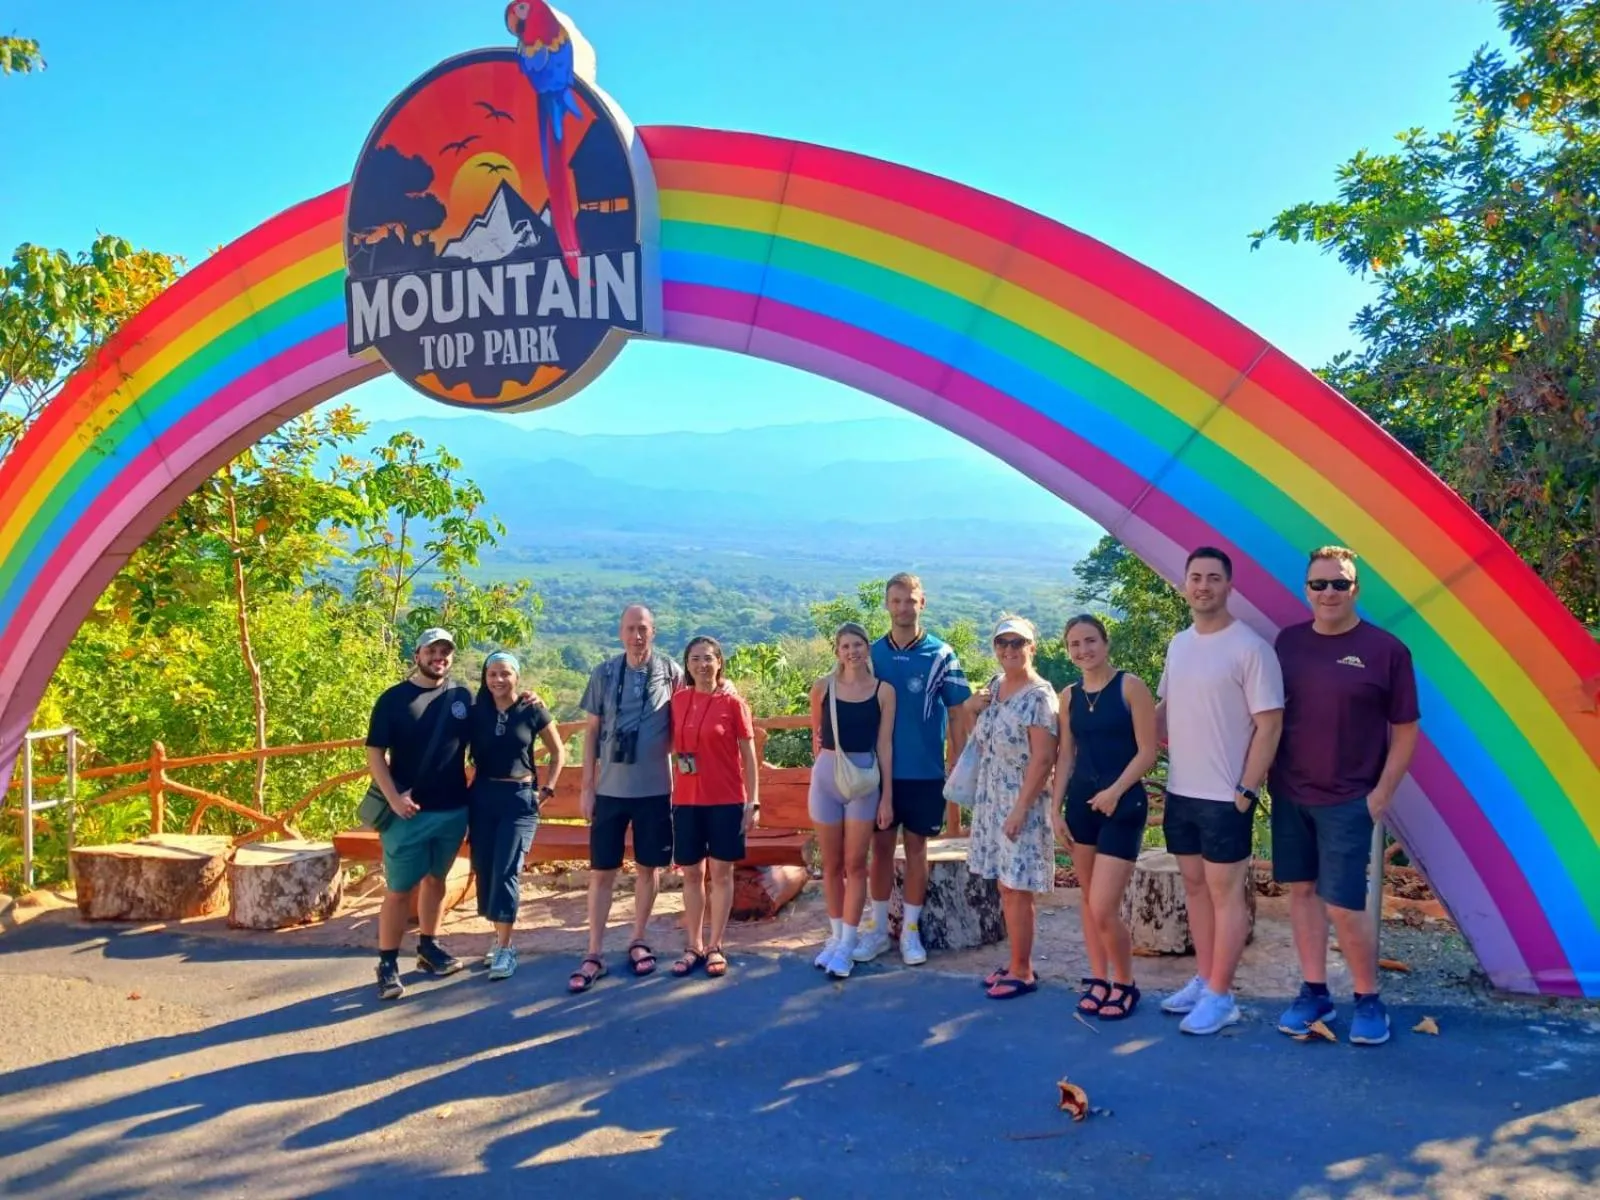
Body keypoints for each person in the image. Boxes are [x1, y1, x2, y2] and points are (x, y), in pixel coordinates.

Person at [1270, 546, 1421, 1046]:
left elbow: (1405, 730)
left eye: (1340, 583)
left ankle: (1368, 999)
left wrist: (1381, 794)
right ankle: (1314, 992)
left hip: (1350, 798)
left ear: (1356, 589)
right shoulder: (1286, 643)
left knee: (1345, 904)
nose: (1329, 592)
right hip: (1291, 792)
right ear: (1306, 589)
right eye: (1320, 584)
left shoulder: (1387, 650)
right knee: (1303, 893)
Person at [1156, 547, 1284, 1035]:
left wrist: (1246, 790)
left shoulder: (1250, 648)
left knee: (1226, 895)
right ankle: (1205, 979)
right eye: (1195, 577)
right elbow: (1166, 709)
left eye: (1213, 577)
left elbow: (1269, 725)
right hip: (1181, 790)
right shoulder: (1179, 644)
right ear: (1185, 585)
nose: (1203, 585)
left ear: (1229, 586)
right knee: (1195, 889)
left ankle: (1222, 995)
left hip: (1226, 795)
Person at [1048, 614, 1159, 1020]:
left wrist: (1115, 791)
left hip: (1123, 805)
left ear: (1105, 642)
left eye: (1090, 641)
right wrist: (1055, 809)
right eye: (1074, 644)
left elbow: (1148, 752)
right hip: (1081, 805)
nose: (1083, 650)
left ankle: (1126, 984)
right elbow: (1065, 754)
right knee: (1088, 900)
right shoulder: (1069, 696)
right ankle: (1098, 979)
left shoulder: (1131, 687)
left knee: (1103, 905)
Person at [859, 572, 973, 966]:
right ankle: (875, 930)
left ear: (922, 604)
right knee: (881, 850)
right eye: (896, 601)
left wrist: (957, 760)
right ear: (887, 604)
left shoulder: (942, 655)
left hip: (925, 772)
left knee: (918, 850)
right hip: (878, 773)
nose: (903, 607)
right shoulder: (871, 655)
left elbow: (959, 713)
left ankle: (910, 932)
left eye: (910, 600)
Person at [572, 605, 685, 993]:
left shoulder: (672, 673)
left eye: (644, 629)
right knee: (602, 871)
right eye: (630, 629)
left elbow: (692, 712)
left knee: (648, 868)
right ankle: (594, 951)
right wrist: (587, 787)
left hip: (655, 790)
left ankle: (638, 938)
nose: (637, 636)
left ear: (654, 632)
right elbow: (590, 734)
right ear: (620, 632)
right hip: (608, 790)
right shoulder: (604, 673)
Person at [364, 628, 474, 1001]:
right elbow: (375, 753)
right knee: (398, 890)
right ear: (417, 654)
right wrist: (393, 799)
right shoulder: (393, 700)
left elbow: (490, 726)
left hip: (453, 808)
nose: (439, 657)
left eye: (445, 651)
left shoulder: (461, 696)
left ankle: (429, 947)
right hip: (407, 813)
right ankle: (388, 963)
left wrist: (527, 700)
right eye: (432, 650)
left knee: (437, 880)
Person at [966, 616, 1060, 999]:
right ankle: (1015, 962)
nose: (1009, 650)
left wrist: (1021, 808)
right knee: (1005, 887)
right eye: (1002, 643)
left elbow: (1043, 759)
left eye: (1017, 643)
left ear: (1031, 647)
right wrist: (973, 707)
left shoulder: (1039, 697)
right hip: (993, 798)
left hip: (1021, 801)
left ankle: (1023, 970)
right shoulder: (995, 686)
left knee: (1017, 888)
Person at [467, 650, 565, 981]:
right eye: (492, 673)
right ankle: (498, 939)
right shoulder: (475, 712)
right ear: (485, 677)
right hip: (482, 797)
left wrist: (547, 789)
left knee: (506, 867)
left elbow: (558, 751)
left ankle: (507, 948)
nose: (498, 679)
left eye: (505, 673)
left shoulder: (531, 708)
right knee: (484, 866)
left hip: (520, 799)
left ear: (517, 677)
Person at [667, 636, 760, 980]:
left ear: (720, 662)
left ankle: (716, 944)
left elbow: (749, 758)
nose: (702, 664)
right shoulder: (677, 701)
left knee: (721, 875)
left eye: (708, 658)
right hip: (687, 801)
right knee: (692, 874)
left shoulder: (734, 703)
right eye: (695, 658)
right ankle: (693, 944)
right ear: (687, 665)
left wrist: (754, 800)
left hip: (726, 800)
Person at [807, 622, 897, 978]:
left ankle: (848, 943)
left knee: (855, 863)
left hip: (864, 780)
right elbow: (817, 736)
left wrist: (887, 796)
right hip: (827, 777)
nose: (852, 651)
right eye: (845, 646)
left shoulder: (883, 691)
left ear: (867, 649)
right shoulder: (822, 688)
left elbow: (884, 745)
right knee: (829, 864)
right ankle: (835, 937)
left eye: (858, 644)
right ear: (837, 652)